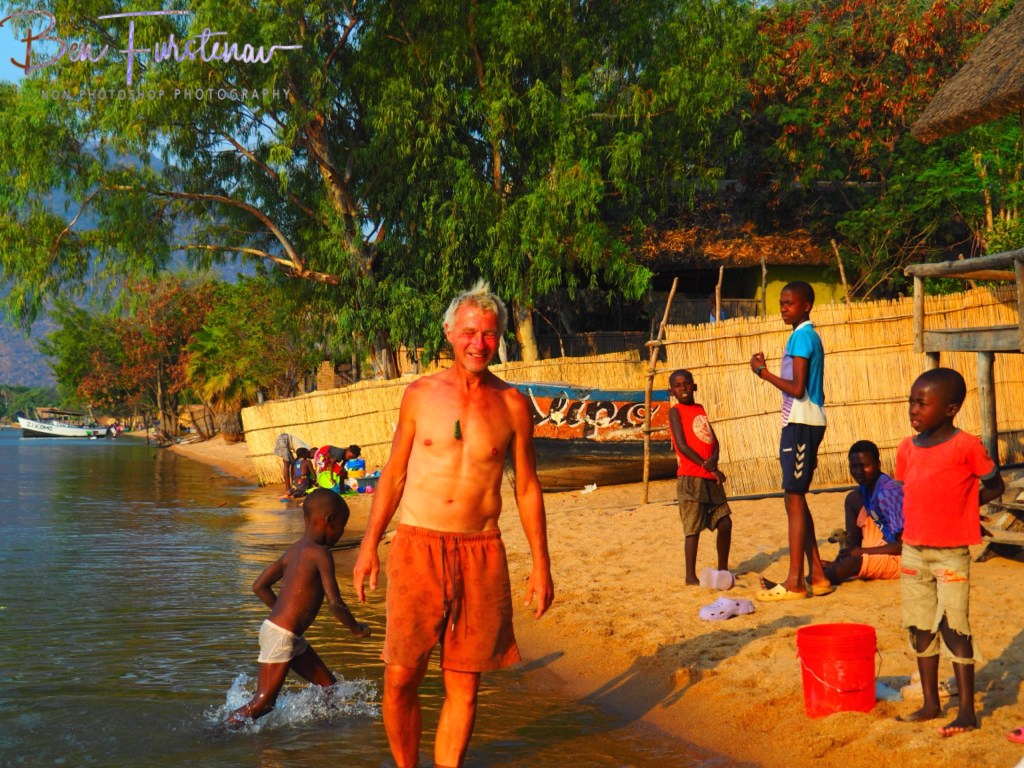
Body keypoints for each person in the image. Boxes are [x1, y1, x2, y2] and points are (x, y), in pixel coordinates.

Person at [353, 280, 554, 768]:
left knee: (464, 683)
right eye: (469, 331)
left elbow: (526, 487)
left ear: (500, 337)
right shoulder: (420, 395)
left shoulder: (512, 405)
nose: (478, 343)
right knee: (401, 675)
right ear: (449, 332)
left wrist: (542, 566)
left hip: (480, 551)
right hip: (418, 546)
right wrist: (368, 545)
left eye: (488, 334)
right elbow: (395, 474)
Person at [894, 367, 1003, 737]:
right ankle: (930, 703)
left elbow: (995, 485)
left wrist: (966, 510)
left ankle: (968, 712)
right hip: (912, 552)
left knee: (955, 626)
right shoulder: (907, 448)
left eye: (922, 403)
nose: (913, 409)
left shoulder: (967, 445)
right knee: (920, 628)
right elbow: (904, 491)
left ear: (950, 408)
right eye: (911, 401)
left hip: (950, 554)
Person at [228, 489, 371, 724]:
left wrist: (281, 614)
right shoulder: (321, 553)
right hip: (282, 635)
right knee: (263, 703)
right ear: (329, 521)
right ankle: (216, 732)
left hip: (286, 635)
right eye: (342, 526)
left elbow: (259, 586)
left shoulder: (295, 549)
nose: (342, 532)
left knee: (328, 687)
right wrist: (356, 628)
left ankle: (319, 735)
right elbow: (334, 603)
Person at [749, 281, 832, 600]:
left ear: (807, 305)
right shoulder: (803, 336)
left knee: (794, 498)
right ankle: (819, 576)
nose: (783, 308)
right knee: (795, 498)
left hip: (802, 421)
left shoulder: (803, 337)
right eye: (781, 303)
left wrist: (762, 372)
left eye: (789, 303)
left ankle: (796, 581)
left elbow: (797, 388)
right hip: (801, 422)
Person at [666, 369, 733, 587]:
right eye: (678, 385)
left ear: (694, 386)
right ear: (672, 391)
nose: (683, 387)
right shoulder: (675, 412)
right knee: (693, 529)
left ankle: (723, 570)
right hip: (691, 478)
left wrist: (714, 459)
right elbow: (683, 446)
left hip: (708, 477)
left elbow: (714, 440)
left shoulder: (700, 409)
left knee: (725, 522)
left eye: (686, 383)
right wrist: (710, 468)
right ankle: (690, 576)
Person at [823, 440, 903, 585]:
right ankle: (846, 558)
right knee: (853, 498)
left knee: (850, 565)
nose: (859, 472)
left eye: (865, 466)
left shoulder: (888, 494)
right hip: (887, 540)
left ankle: (799, 585)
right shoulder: (868, 487)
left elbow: (905, 546)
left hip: (908, 558)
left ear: (878, 465)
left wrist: (861, 552)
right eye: (854, 466)